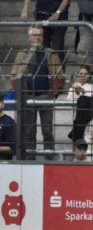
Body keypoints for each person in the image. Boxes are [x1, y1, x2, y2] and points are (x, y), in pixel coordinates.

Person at [10, 25, 63, 158]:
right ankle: (30, 157)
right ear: (29, 37)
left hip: (45, 95)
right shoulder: (22, 54)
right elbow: (14, 76)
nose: (37, 38)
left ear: (43, 37)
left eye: (39, 35)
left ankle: (49, 157)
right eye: (34, 35)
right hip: (27, 96)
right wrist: (20, 93)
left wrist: (54, 93)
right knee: (29, 130)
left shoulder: (50, 53)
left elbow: (60, 75)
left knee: (47, 130)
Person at [66, 64, 93, 147]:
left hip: (90, 121)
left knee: (89, 150)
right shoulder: (72, 88)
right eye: (81, 73)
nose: (82, 76)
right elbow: (70, 102)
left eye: (85, 74)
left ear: (89, 75)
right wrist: (76, 92)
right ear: (78, 74)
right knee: (78, 149)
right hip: (78, 121)